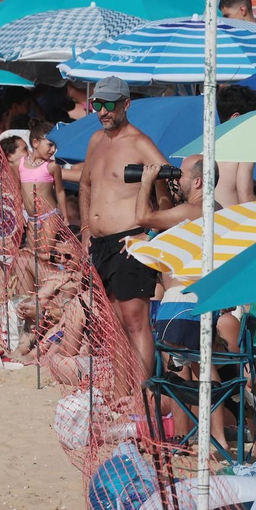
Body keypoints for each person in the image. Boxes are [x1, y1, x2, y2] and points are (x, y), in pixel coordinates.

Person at [81, 77, 175, 382]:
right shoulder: (96, 140)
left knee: (136, 321)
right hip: (100, 244)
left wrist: (147, 234)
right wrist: (84, 229)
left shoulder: (140, 143)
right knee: (113, 322)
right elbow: (84, 185)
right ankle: (123, 394)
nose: (103, 111)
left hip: (129, 243)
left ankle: (140, 397)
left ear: (126, 104)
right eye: (97, 104)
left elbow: (166, 193)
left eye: (109, 105)